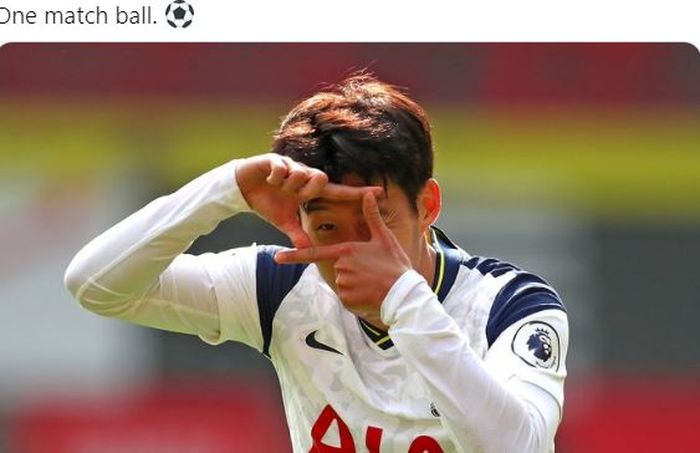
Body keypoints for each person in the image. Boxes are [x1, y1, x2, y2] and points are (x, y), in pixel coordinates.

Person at [65, 74, 569, 452]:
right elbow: (95, 284)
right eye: (328, 226)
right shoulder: (283, 287)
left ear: (428, 205)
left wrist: (401, 298)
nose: (353, 250)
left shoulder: (512, 307)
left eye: (376, 219)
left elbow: (518, 446)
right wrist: (226, 189)